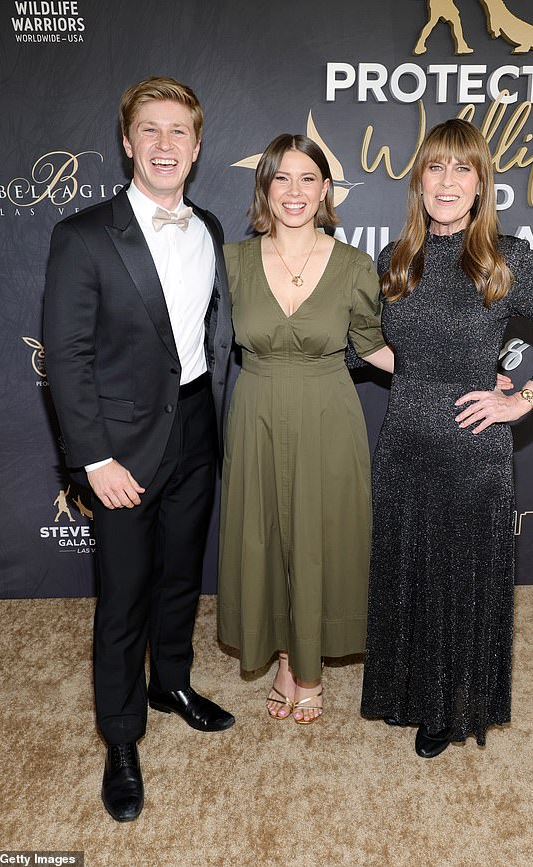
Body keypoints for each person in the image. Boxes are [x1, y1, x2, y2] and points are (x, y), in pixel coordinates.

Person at [360, 118, 533, 757]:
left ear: (481, 183)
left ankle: (451, 706)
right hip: (404, 441)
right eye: (436, 167)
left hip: (473, 449)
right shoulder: (395, 261)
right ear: (419, 180)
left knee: (461, 579)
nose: (448, 181)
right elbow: (371, 345)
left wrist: (519, 400)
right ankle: (407, 693)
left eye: (463, 168)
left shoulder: (504, 258)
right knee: (407, 572)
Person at [43, 76, 235, 822]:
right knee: (122, 593)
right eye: (149, 130)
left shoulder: (211, 227)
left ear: (196, 145)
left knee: (182, 573)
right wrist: (93, 459)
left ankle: (173, 681)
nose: (164, 144)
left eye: (178, 131)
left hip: (194, 423)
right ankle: (121, 736)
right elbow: (66, 356)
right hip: (119, 446)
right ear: (127, 142)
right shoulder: (84, 234)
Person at [217, 134, 394, 723]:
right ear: (265, 186)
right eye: (281, 178)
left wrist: (455, 373)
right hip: (257, 411)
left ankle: (312, 665)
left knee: (322, 539)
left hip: (328, 413)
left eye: (307, 179)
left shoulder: (353, 265)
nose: (294, 191)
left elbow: (374, 347)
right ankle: (287, 659)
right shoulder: (233, 261)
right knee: (263, 535)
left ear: (325, 190)